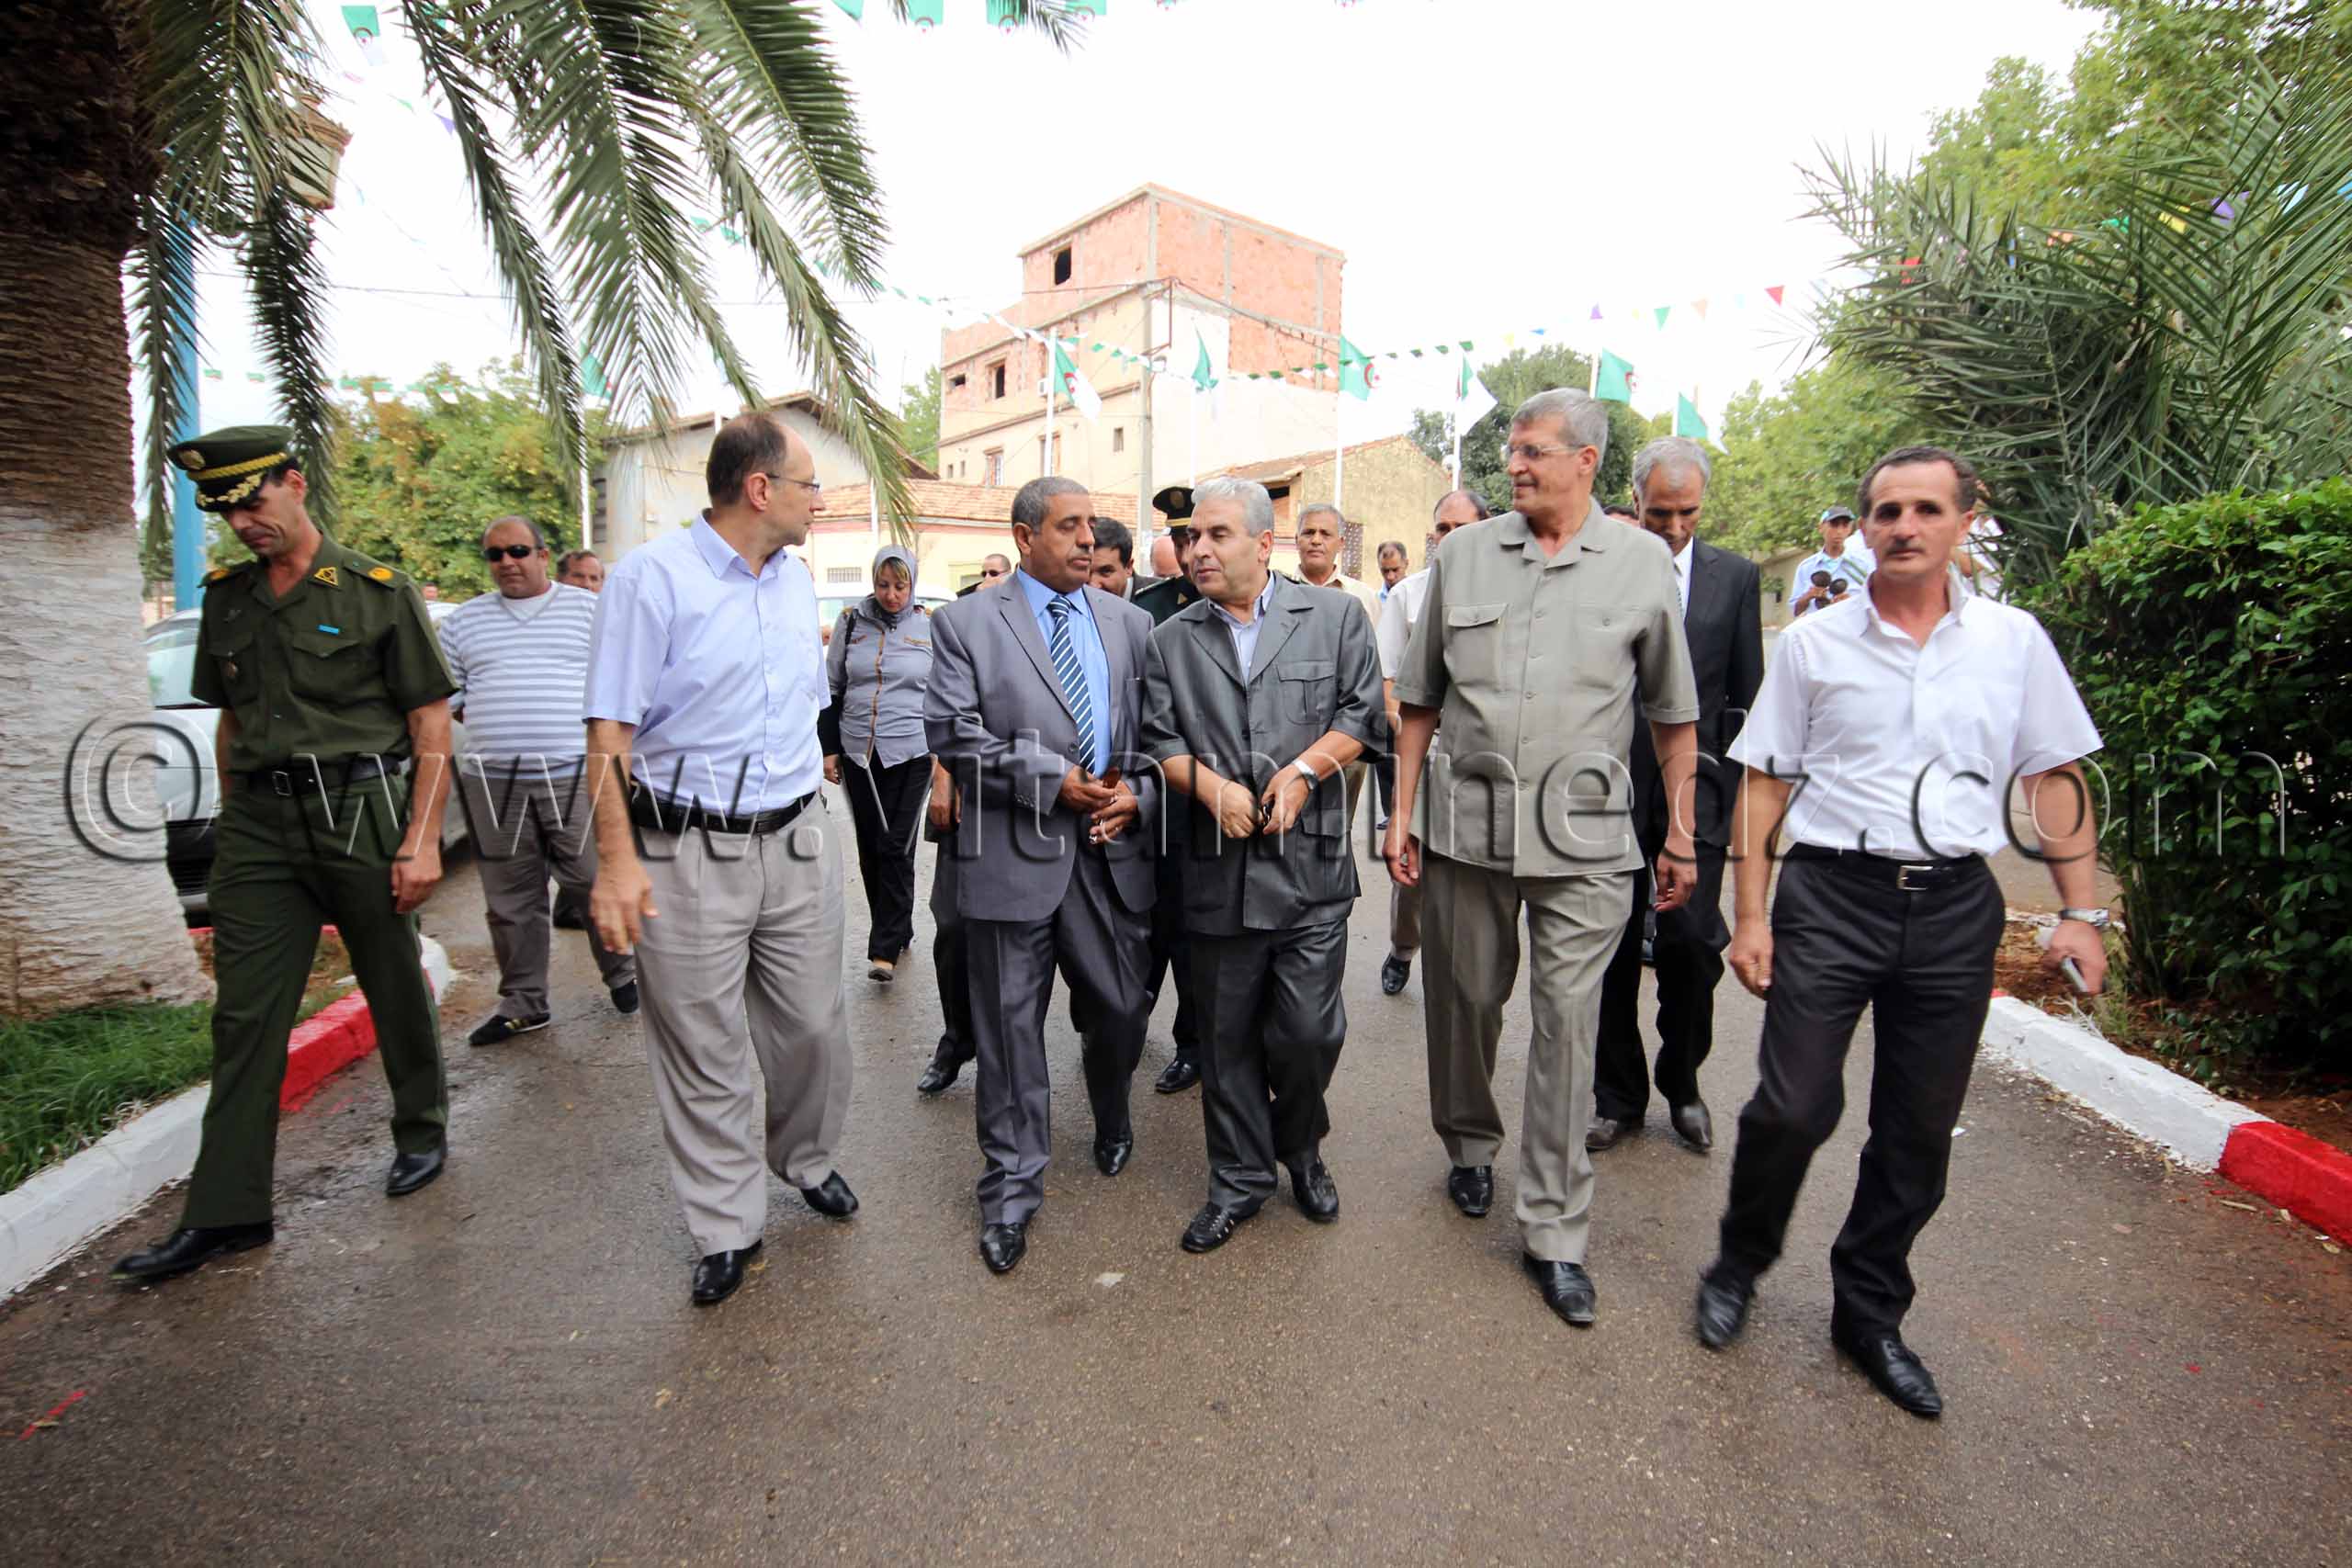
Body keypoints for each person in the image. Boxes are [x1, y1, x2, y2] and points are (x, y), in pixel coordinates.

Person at [1697, 445, 2107, 1417]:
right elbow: (1763, 782)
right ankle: (1738, 1262)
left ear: (1967, 520)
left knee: (1917, 1130)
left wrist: (2081, 913)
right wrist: (1747, 916)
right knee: (1790, 1108)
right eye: (1886, 511)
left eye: (1925, 509)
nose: (1903, 527)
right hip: (1831, 898)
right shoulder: (1813, 645)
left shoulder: (2012, 643)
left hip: (1956, 906)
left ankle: (1868, 1312)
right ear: (1866, 527)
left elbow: (2051, 776)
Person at [1385, 389, 1701, 1329]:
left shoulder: (1644, 564)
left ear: (1585, 463)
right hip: (1466, 830)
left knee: (1567, 1025)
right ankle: (1470, 1144)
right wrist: (1397, 817)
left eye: (1530, 452)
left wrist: (1678, 832)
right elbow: (1418, 702)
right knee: (1467, 1003)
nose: (1512, 467)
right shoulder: (1466, 554)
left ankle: (1556, 1231)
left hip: (1587, 841)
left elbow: (1672, 717)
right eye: (1510, 452)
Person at [114, 426, 458, 1286]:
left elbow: (430, 727)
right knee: (244, 1017)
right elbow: (230, 718)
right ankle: (229, 1211)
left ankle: (420, 1128)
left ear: (295, 484)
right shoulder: (227, 598)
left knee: (389, 978)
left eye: (253, 500)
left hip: (360, 808)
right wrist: (237, 823)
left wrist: (420, 841)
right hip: (262, 824)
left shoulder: (380, 591)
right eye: (226, 509)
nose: (242, 521)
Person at [582, 412, 858, 1309]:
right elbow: (609, 737)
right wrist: (618, 865)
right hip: (685, 849)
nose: (822, 499)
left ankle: (805, 1158)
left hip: (797, 837)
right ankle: (726, 1225)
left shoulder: (792, 581)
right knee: (702, 1046)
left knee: (814, 1025)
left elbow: (794, 706)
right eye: (811, 483)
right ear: (759, 490)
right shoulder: (649, 582)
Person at [1141, 478, 1385, 1252]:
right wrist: (1209, 788)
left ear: (1262, 544)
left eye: (1216, 535)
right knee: (1227, 1039)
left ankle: (1301, 1145)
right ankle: (1239, 1179)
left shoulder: (1338, 616)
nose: (1198, 549)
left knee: (1309, 1034)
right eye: (1191, 538)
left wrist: (1308, 770)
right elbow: (1157, 740)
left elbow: (1362, 715)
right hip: (1217, 875)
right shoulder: (1172, 638)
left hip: (1310, 873)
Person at [923, 478, 1159, 1276]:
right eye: (1069, 527)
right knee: (1010, 1032)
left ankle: (1112, 1110)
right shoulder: (965, 624)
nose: (1087, 539)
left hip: (1107, 855)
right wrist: (1050, 778)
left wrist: (1140, 795)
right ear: (1025, 537)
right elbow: (954, 732)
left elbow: (1159, 738)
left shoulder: (1130, 623)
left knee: (1124, 1009)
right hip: (1008, 858)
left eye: (1092, 525)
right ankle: (1012, 1189)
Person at [1590, 440, 1762, 1153]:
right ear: (1635, 500)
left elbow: (1747, 696)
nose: (1673, 527)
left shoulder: (1737, 578)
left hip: (1701, 794)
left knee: (1693, 945)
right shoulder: (1602, 570)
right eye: (1659, 512)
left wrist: (1740, 795)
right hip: (1604, 788)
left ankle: (1683, 1083)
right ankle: (1617, 1096)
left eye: (1687, 512)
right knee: (1610, 945)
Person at [442, 515, 637, 1047]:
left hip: (575, 775)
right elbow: (453, 701)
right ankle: (524, 1004)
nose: (507, 562)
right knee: (510, 901)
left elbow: (619, 687)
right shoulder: (463, 623)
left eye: (518, 551)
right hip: (494, 783)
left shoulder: (589, 611)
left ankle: (624, 975)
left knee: (590, 881)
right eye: (495, 554)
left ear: (543, 556)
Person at [1372, 488, 1488, 997]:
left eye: (1461, 529)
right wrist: (1415, 738)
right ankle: (1402, 948)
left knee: (1475, 872)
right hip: (1424, 749)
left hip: (1485, 755)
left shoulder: (1505, 593)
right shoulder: (1408, 595)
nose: (1449, 539)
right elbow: (1389, 682)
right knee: (1412, 861)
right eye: (1442, 529)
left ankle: (1462, 963)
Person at [824, 546, 936, 984]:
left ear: (913, 584)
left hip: (914, 751)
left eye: (900, 586)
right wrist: (829, 747)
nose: (891, 595)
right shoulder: (852, 622)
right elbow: (833, 685)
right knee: (873, 846)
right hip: (860, 753)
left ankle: (883, 948)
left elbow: (946, 690)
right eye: (883, 585)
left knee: (897, 843)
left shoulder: (931, 627)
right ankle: (899, 924)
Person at [1131, 484, 1206, 1091]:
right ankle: (1125, 1025)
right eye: (1180, 537)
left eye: (1197, 534)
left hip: (1221, 789)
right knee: (1151, 917)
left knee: (1196, 929)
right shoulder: (1147, 606)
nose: (1190, 549)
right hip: (1159, 791)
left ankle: (1193, 1041)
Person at [1294, 503, 1382, 841]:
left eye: (1325, 533)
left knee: (1334, 831)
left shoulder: (1364, 598)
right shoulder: (1274, 590)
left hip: (1348, 731)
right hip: (1290, 728)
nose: (1316, 540)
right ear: (1297, 540)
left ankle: (1331, 888)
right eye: (1308, 532)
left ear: (1340, 543)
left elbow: (1378, 667)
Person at [1790, 505, 1873, 616]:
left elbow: (1874, 606)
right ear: (1821, 528)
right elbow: (1794, 611)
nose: (1839, 531)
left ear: (1850, 529)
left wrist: (1851, 602)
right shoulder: (1806, 567)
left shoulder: (1862, 566)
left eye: (1845, 525)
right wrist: (1809, 596)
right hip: (1817, 630)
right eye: (1834, 525)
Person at [1088, 516, 1138, 599]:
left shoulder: (1161, 600)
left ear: (1129, 567)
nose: (1093, 585)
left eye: (1105, 571)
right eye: (1086, 571)